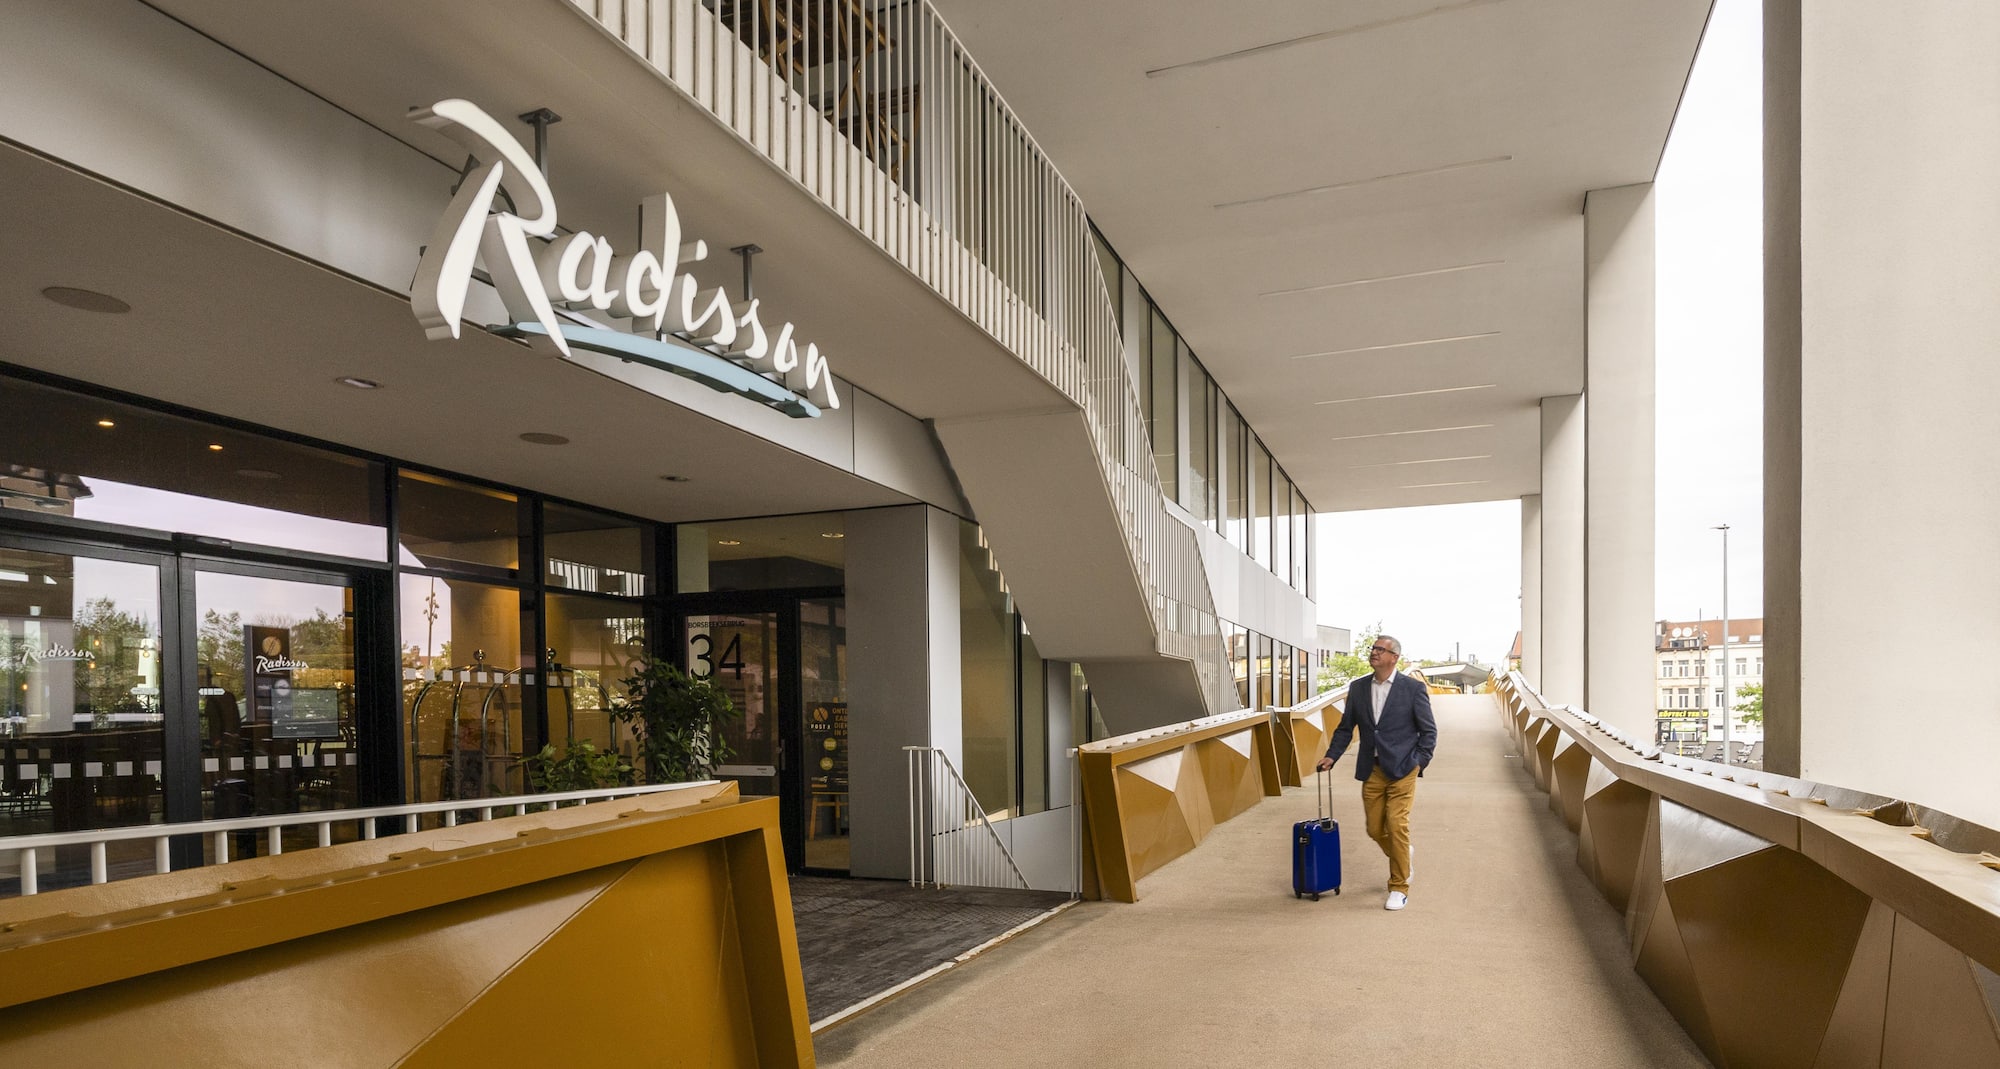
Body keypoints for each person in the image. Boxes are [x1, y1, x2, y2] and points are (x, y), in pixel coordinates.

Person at [1317, 634, 1437, 911]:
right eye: (1373, 648)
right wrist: (1331, 755)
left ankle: (1399, 885)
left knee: (1396, 825)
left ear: (1394, 657)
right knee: (1374, 828)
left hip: (1403, 768)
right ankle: (1403, 855)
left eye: (1381, 650)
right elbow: (1346, 727)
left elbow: (1428, 731)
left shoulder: (1412, 689)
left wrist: (1418, 761)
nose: (1374, 653)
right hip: (1371, 768)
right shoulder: (1358, 688)